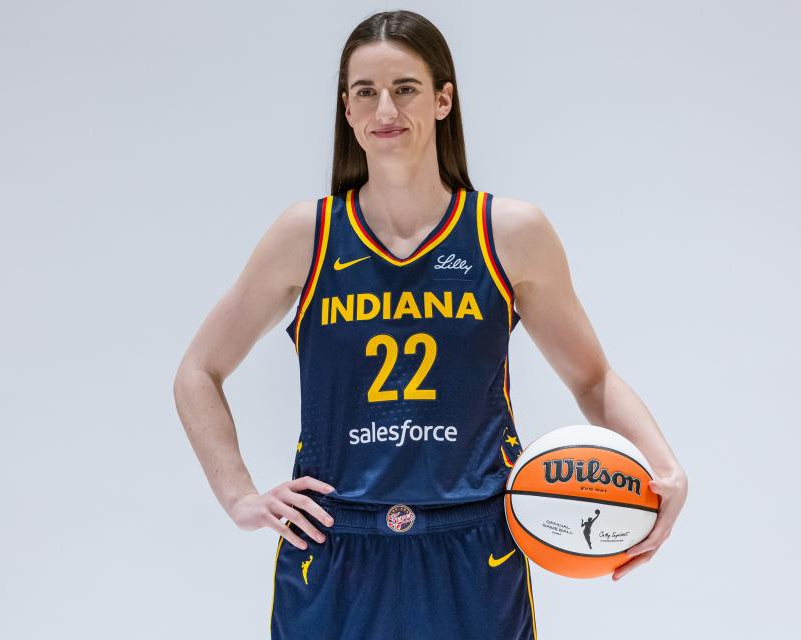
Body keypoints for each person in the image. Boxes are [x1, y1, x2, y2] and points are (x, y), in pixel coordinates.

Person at [173, 10, 687, 639]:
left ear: (444, 99)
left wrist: (667, 468)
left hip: (475, 545)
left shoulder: (509, 233)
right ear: (348, 110)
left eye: (406, 88)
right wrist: (238, 496)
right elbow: (198, 371)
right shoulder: (305, 236)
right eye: (366, 92)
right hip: (335, 546)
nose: (385, 107)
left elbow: (592, 377)